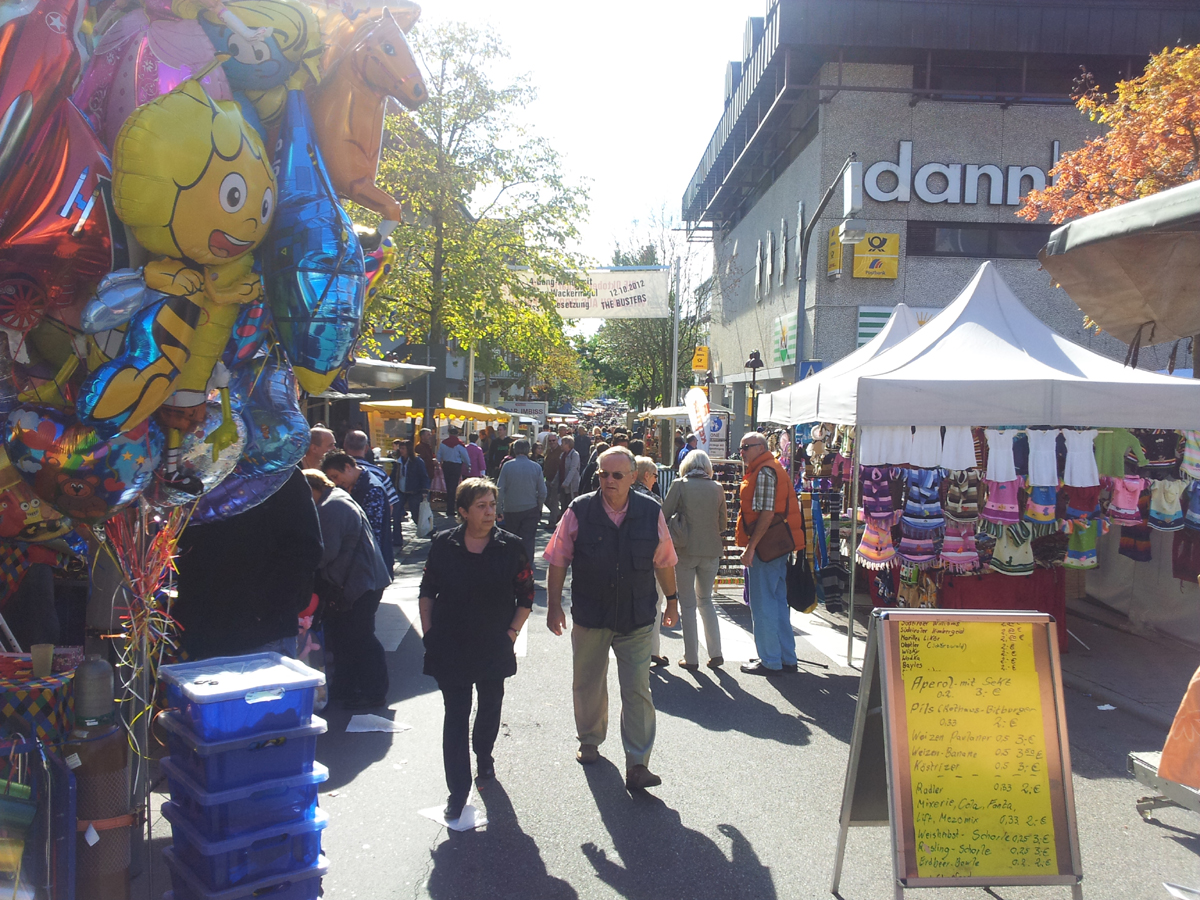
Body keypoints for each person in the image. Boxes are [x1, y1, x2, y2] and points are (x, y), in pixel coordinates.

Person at [545, 447, 680, 792]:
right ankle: (590, 739)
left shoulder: (650, 511)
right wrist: (553, 605)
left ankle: (638, 763)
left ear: (633, 477)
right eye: (603, 474)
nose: (608, 481)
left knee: (637, 688)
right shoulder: (580, 509)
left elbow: (664, 561)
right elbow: (558, 558)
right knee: (588, 682)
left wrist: (673, 603)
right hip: (591, 613)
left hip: (636, 615)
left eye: (616, 475)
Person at [419, 478, 535, 820]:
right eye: (481, 506)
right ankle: (457, 790)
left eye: (492, 505)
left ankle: (484, 754)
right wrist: (428, 632)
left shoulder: (510, 546)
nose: (489, 512)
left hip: (492, 643)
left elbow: (526, 594)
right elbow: (427, 590)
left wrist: (511, 634)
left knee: (489, 706)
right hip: (450, 643)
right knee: (455, 714)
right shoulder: (443, 544)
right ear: (463, 511)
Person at [176, 467, 322, 659]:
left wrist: (270, 607)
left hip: (261, 631)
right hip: (204, 630)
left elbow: (306, 549)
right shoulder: (197, 474)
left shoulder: (278, 473)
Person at [305, 469, 393, 707]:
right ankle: (348, 689)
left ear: (314, 488)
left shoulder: (330, 507)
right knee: (347, 637)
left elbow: (326, 553)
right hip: (363, 580)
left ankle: (373, 691)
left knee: (359, 637)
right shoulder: (337, 499)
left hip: (360, 582)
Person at [735, 432, 806, 675]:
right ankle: (786, 657)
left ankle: (770, 660)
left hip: (767, 547)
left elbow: (766, 514)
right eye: (741, 447)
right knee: (776, 603)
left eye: (746, 447)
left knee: (764, 603)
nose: (742, 452)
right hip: (777, 545)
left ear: (761, 447)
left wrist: (751, 547)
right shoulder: (770, 468)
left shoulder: (764, 471)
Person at [662, 450, 727, 670]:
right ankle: (716, 652)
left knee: (687, 604)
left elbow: (664, 514)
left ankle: (691, 657)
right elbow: (723, 524)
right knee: (706, 600)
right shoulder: (717, 488)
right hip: (711, 551)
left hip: (685, 549)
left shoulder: (680, 485)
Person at [321, 451, 397, 576]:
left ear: (347, 467)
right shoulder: (354, 485)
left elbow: (373, 533)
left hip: (370, 564)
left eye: (335, 476)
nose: (335, 482)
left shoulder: (371, 489)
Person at [632, 456, 670, 667]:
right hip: (650, 559)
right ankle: (651, 651)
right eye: (655, 475)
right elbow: (662, 533)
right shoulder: (653, 500)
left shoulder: (621, 495)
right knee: (654, 604)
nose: (656, 480)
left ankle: (640, 651)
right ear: (646, 475)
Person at [345, 429, 399, 561]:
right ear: (367, 448)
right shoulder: (379, 474)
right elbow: (390, 506)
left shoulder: (334, 473)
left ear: (344, 446)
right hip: (374, 544)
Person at [495, 439, 546, 565]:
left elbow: (499, 490)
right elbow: (543, 491)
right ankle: (527, 568)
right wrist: (539, 507)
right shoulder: (536, 467)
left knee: (512, 539)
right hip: (530, 508)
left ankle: (512, 566)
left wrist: (498, 510)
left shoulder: (507, 466)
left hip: (511, 508)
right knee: (528, 540)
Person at [392, 441, 430, 544]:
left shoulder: (417, 461)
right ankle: (397, 539)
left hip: (414, 491)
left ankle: (431, 532)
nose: (401, 450)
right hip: (400, 491)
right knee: (396, 514)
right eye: (400, 448)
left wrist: (424, 490)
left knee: (416, 516)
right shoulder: (398, 462)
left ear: (408, 449)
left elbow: (424, 476)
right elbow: (393, 476)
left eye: (403, 448)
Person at [437, 426, 471, 512]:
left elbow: (439, 455)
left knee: (448, 486)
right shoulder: (460, 444)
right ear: (457, 434)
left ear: (449, 434)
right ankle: (451, 508)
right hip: (456, 466)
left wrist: (438, 463)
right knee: (454, 486)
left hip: (446, 466)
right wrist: (468, 465)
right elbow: (465, 456)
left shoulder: (443, 443)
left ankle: (449, 507)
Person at [542, 432, 564, 528]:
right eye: (550, 441)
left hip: (556, 479)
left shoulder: (560, 451)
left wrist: (556, 480)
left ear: (557, 440)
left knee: (554, 501)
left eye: (553, 440)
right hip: (547, 479)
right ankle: (557, 514)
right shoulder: (548, 451)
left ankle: (552, 522)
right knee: (545, 499)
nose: (552, 442)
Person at [559, 436, 580, 519]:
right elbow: (559, 469)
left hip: (571, 485)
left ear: (568, 444)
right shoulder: (562, 455)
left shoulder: (574, 455)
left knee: (570, 503)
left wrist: (566, 482)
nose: (561, 445)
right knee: (563, 504)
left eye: (563, 443)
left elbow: (573, 469)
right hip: (562, 483)